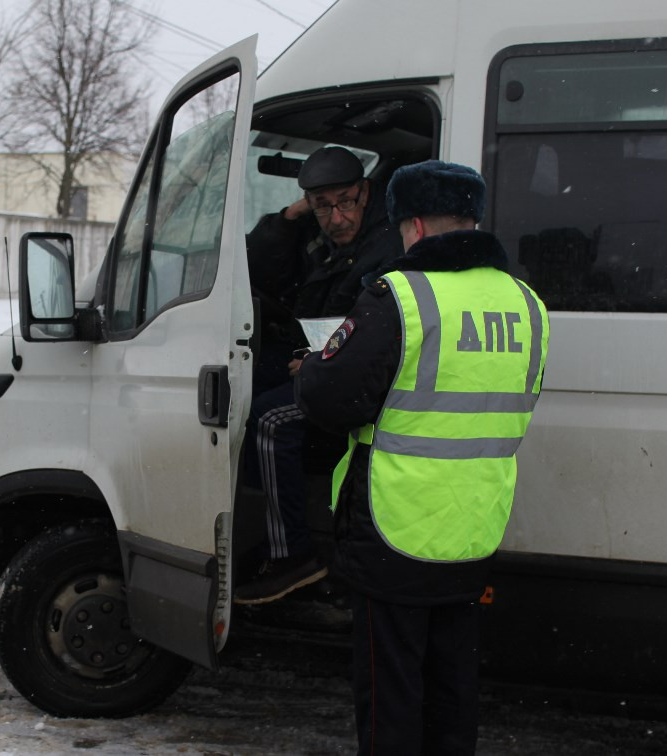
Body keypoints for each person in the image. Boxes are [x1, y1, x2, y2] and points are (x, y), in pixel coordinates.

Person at [296, 160, 550, 755]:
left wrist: (310, 368)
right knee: (452, 680)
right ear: (469, 219)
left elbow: (332, 400)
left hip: (396, 523)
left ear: (411, 225)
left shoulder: (400, 296)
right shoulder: (526, 302)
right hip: (472, 522)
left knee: (391, 690)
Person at [235, 146, 402, 604]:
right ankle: (255, 522)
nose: (336, 217)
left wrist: (320, 360)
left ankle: (295, 556)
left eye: (345, 201)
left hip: (351, 373)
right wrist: (289, 217)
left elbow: (373, 328)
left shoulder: (385, 243)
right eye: (322, 205)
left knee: (271, 419)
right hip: (313, 353)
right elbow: (252, 264)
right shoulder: (317, 229)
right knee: (234, 386)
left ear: (365, 192)